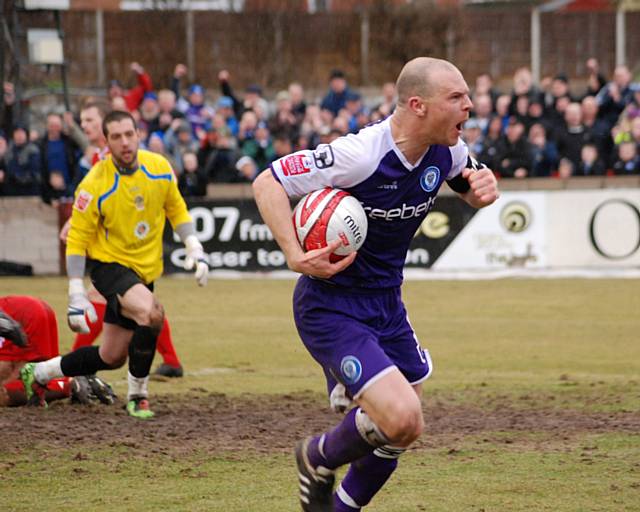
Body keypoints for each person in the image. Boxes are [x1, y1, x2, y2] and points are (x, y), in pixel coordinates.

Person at [252, 57, 499, 512]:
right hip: (331, 306)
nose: (472, 105)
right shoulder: (360, 155)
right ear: (417, 105)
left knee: (403, 429)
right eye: (458, 97)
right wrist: (292, 252)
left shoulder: (448, 150)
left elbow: (465, 181)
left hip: (388, 304)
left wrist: (479, 190)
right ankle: (315, 457)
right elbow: (267, 181)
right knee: (401, 415)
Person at [20, 110, 210, 419]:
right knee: (151, 313)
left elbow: (176, 208)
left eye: (129, 134)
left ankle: (39, 372)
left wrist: (194, 246)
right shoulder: (94, 183)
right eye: (117, 137)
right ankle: (138, 396)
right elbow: (78, 239)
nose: (125, 142)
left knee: (112, 356)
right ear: (106, 142)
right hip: (109, 268)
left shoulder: (159, 168)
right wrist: (75, 292)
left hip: (143, 271)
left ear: (138, 134)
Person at [66, 100, 187, 379]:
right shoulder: (98, 160)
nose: (85, 126)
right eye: (82, 121)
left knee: (140, 309)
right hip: (112, 255)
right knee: (137, 315)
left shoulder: (114, 159)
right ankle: (69, 369)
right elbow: (94, 206)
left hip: (125, 253)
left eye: (90, 120)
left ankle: (74, 370)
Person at [0, 296, 114, 407]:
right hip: (31, 308)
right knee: (38, 373)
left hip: (20, 315)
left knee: (11, 384)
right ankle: (76, 376)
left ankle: (70, 383)